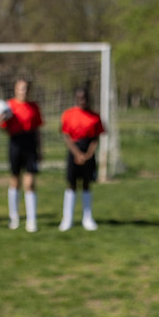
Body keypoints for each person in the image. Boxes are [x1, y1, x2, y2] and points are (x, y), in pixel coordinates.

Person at [0, 78, 43, 233]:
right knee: (15, 181)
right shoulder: (8, 106)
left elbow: (38, 130)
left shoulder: (34, 106)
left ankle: (31, 220)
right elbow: (4, 127)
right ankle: (14, 218)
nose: (24, 91)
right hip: (15, 144)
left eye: (26, 88)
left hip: (30, 144)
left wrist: (41, 150)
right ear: (15, 89)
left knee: (29, 183)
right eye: (21, 88)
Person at [58, 87, 105, 232]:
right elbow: (66, 136)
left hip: (88, 152)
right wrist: (77, 154)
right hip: (74, 151)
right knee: (71, 184)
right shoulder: (68, 114)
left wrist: (89, 153)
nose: (82, 101)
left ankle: (87, 218)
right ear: (75, 99)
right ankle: (67, 219)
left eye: (84, 98)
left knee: (86, 184)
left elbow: (97, 137)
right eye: (79, 98)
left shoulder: (95, 116)